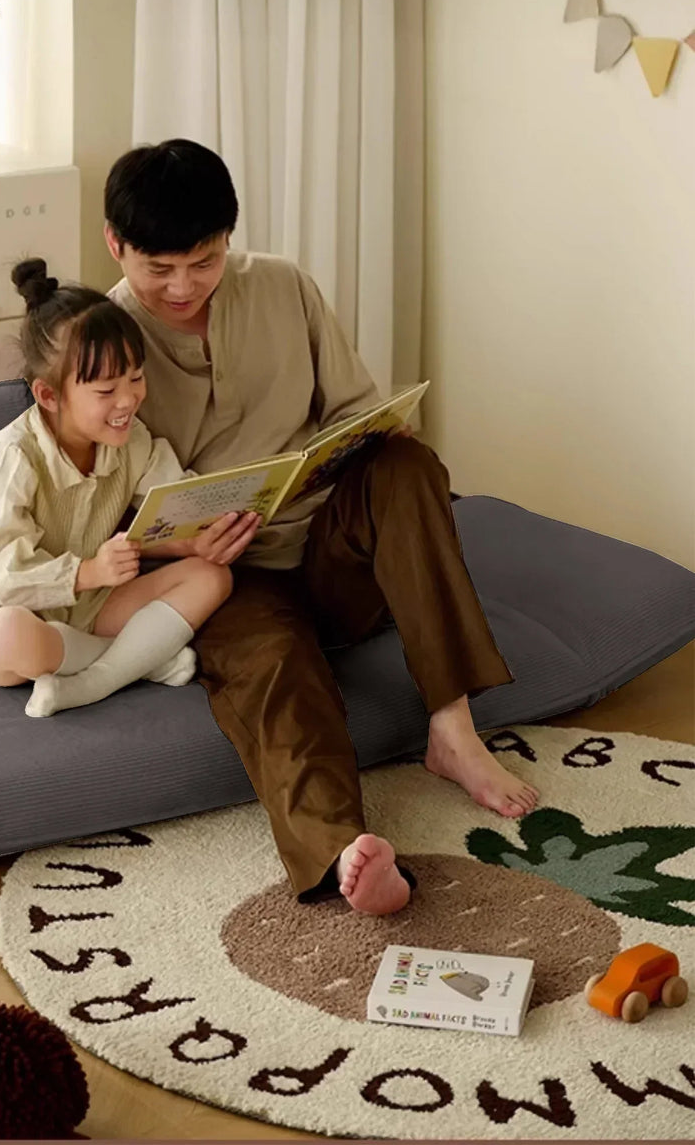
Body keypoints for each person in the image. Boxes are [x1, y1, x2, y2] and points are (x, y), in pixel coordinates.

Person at [103, 138, 539, 916]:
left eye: (202, 262)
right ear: (116, 246)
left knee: (410, 468)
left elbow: (347, 406)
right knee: (272, 664)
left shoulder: (282, 286)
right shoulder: (101, 343)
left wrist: (375, 434)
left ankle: (452, 729)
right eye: (157, 268)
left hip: (335, 552)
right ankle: (344, 852)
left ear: (228, 240)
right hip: (224, 580)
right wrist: (180, 544)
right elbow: (102, 503)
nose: (181, 287)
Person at [0, 257, 257, 719]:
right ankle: (136, 659)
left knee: (210, 577)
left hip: (82, 606)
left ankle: (97, 677)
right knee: (14, 636)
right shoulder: (14, 457)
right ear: (50, 396)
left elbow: (178, 501)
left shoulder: (132, 442)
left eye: (135, 378)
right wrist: (89, 572)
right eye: (106, 390)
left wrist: (198, 537)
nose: (128, 399)